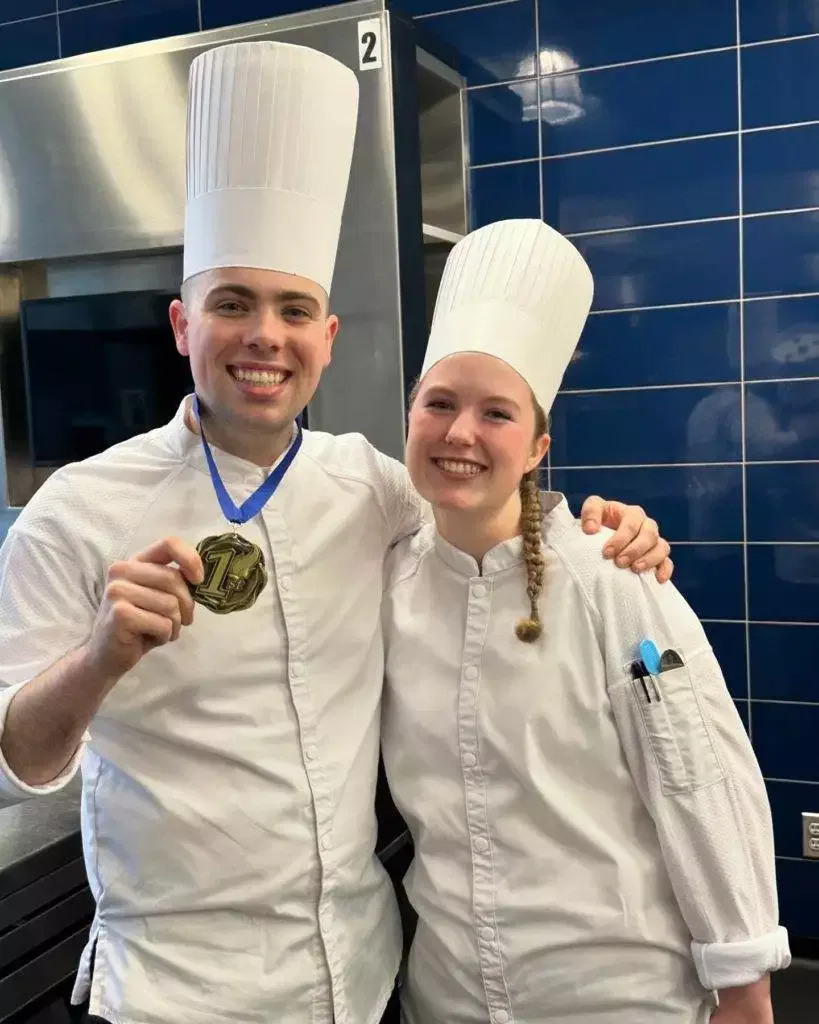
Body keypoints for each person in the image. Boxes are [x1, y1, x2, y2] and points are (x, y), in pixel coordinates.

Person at [0, 45, 672, 1024]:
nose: (264, 335)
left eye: (293, 309)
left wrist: (613, 536)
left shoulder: (369, 486)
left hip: (360, 979)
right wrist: (100, 657)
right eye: (233, 303)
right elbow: (18, 761)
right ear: (184, 324)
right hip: (176, 1000)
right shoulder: (79, 509)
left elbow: (491, 533)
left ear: (328, 338)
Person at [381, 219, 791, 1024]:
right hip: (449, 993)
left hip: (614, 994)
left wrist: (743, 979)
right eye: (440, 403)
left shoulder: (613, 580)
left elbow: (694, 777)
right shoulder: (386, 580)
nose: (460, 432)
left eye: (495, 414)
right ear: (409, 417)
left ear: (536, 447)